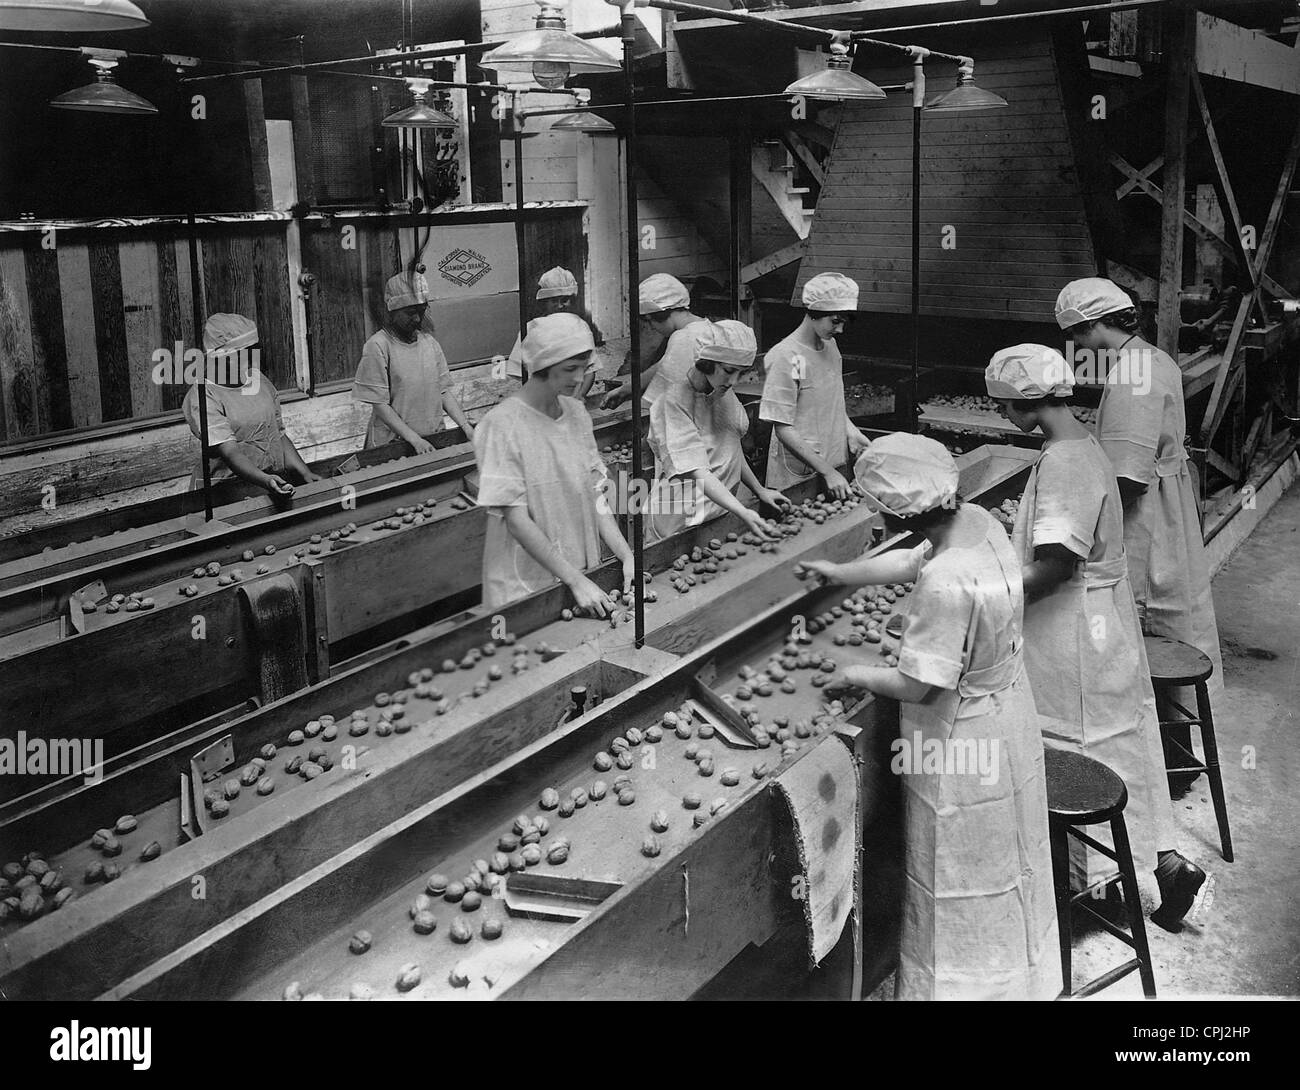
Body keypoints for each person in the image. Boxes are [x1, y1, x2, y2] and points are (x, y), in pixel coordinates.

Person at [798, 433, 1059, 1001]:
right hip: (1007, 714)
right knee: (1006, 864)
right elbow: (915, 560)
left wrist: (852, 672)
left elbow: (917, 685)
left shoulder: (944, 582)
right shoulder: (979, 523)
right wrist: (842, 575)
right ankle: (1017, 981)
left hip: (958, 739)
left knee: (952, 873)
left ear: (894, 511)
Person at [986, 344, 1206, 929]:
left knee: (1079, 752)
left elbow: (1055, 565)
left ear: (1026, 404)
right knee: (1121, 744)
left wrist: (984, 593)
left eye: (1005, 406)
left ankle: (1094, 889)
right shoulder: (1085, 446)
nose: (1004, 416)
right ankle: (1162, 863)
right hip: (1105, 622)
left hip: (1073, 629)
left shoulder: (1061, 462)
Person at [1055, 278, 1223, 700]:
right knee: (1173, 620)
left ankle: (1153, 731)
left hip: (1146, 519)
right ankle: (1167, 725)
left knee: (1145, 622)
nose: (1078, 345)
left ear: (1091, 326)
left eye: (1075, 334)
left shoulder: (1132, 375)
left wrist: (1080, 524)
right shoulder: (1154, 358)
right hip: (1171, 501)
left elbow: (1128, 478)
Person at [474, 312, 635, 613]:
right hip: (527, 581)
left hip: (581, 571)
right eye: (570, 369)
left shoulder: (576, 414)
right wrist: (575, 581)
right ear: (542, 367)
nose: (579, 379)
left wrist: (626, 554)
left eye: (584, 368)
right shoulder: (500, 426)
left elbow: (595, 495)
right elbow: (517, 520)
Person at [646, 320, 790, 543]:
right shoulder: (672, 403)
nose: (733, 381)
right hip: (679, 521)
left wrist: (759, 490)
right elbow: (697, 471)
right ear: (706, 362)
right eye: (729, 371)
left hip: (717, 513)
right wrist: (742, 512)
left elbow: (730, 447)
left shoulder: (722, 392)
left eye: (740, 373)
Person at [759, 271, 871, 499]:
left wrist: (851, 432)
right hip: (800, 468)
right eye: (835, 321)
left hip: (833, 461)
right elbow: (783, 427)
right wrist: (827, 471)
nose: (839, 330)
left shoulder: (830, 346)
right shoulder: (787, 356)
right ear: (813, 313)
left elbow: (830, 401)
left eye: (843, 322)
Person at [182, 313, 318, 496]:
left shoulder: (256, 380)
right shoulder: (204, 395)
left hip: (269, 484)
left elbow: (278, 433)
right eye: (243, 353)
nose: (251, 358)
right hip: (225, 492)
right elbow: (231, 453)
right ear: (220, 356)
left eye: (252, 350)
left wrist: (304, 472)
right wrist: (266, 480)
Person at [353, 272, 474, 453]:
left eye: (421, 311)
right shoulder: (378, 346)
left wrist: (466, 427)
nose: (417, 319)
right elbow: (379, 404)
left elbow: (442, 391)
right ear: (392, 310)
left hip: (432, 439)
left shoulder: (429, 343)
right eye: (410, 313)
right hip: (394, 445)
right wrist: (415, 440)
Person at [600, 273, 708, 410]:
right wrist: (625, 390)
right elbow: (662, 366)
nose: (652, 328)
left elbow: (658, 395)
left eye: (650, 322)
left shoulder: (682, 338)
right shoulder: (706, 327)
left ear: (658, 315)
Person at [504, 266, 598, 399]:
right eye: (554, 301)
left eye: (565, 300)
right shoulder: (531, 329)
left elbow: (590, 370)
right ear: (544, 302)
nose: (560, 306)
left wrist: (577, 397)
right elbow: (522, 374)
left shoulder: (580, 326)